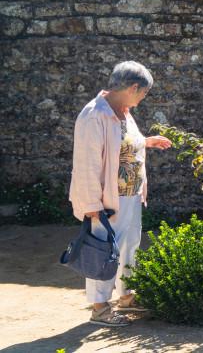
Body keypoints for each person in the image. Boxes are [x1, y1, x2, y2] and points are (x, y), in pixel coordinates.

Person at [68, 61, 173, 327]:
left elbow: (121, 144)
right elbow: (87, 164)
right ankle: (100, 308)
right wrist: (92, 205)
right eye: (143, 92)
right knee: (103, 251)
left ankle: (125, 296)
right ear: (133, 87)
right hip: (106, 200)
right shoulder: (94, 115)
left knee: (128, 248)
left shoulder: (123, 111)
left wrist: (146, 142)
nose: (143, 98)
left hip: (130, 195)